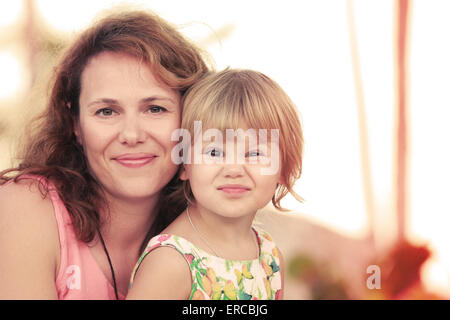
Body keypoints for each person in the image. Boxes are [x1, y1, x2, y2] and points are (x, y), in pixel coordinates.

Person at [0, 10, 209, 299]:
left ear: (191, 119)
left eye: (155, 109)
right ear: (75, 124)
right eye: (106, 111)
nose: (132, 135)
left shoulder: (208, 234)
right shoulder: (25, 207)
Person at [127, 69, 304, 300]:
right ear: (184, 165)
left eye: (254, 153)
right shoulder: (172, 262)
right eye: (214, 151)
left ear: (284, 168)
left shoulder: (269, 257)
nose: (233, 169)